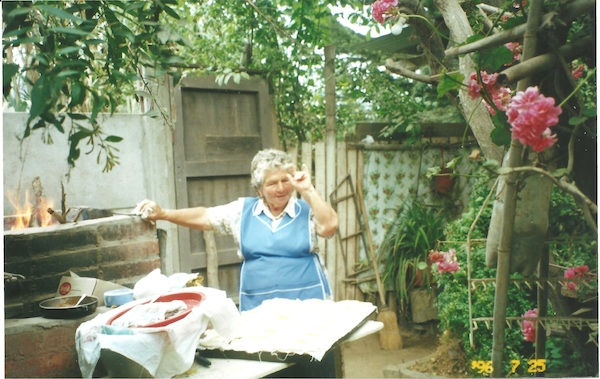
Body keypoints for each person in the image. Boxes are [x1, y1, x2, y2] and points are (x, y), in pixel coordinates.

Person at [135, 148, 338, 312]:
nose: (281, 189)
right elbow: (205, 216)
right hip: (260, 307)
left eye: (285, 181)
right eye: (272, 183)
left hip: (310, 304)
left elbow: (329, 227)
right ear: (259, 189)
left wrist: (308, 190)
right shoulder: (242, 211)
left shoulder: (308, 208)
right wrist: (164, 214)